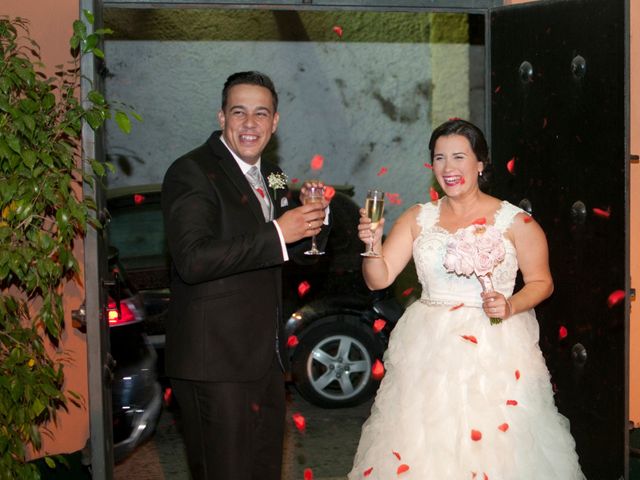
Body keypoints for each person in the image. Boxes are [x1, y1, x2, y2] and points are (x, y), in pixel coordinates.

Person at [348, 119, 584, 479]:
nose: (448, 168)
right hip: (428, 348)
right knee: (425, 446)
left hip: (495, 344)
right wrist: (371, 244)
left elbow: (542, 282)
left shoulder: (515, 222)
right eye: (439, 158)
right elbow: (378, 278)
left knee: (498, 446)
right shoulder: (417, 218)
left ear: (480, 164)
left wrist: (510, 305)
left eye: (459, 157)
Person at [161, 71, 330, 480]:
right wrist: (278, 233)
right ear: (221, 117)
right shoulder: (191, 172)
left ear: (275, 122)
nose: (250, 123)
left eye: (261, 113)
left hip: (264, 362)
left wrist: (315, 228)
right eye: (239, 112)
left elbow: (290, 253)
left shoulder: (272, 174)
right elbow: (192, 260)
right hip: (214, 363)